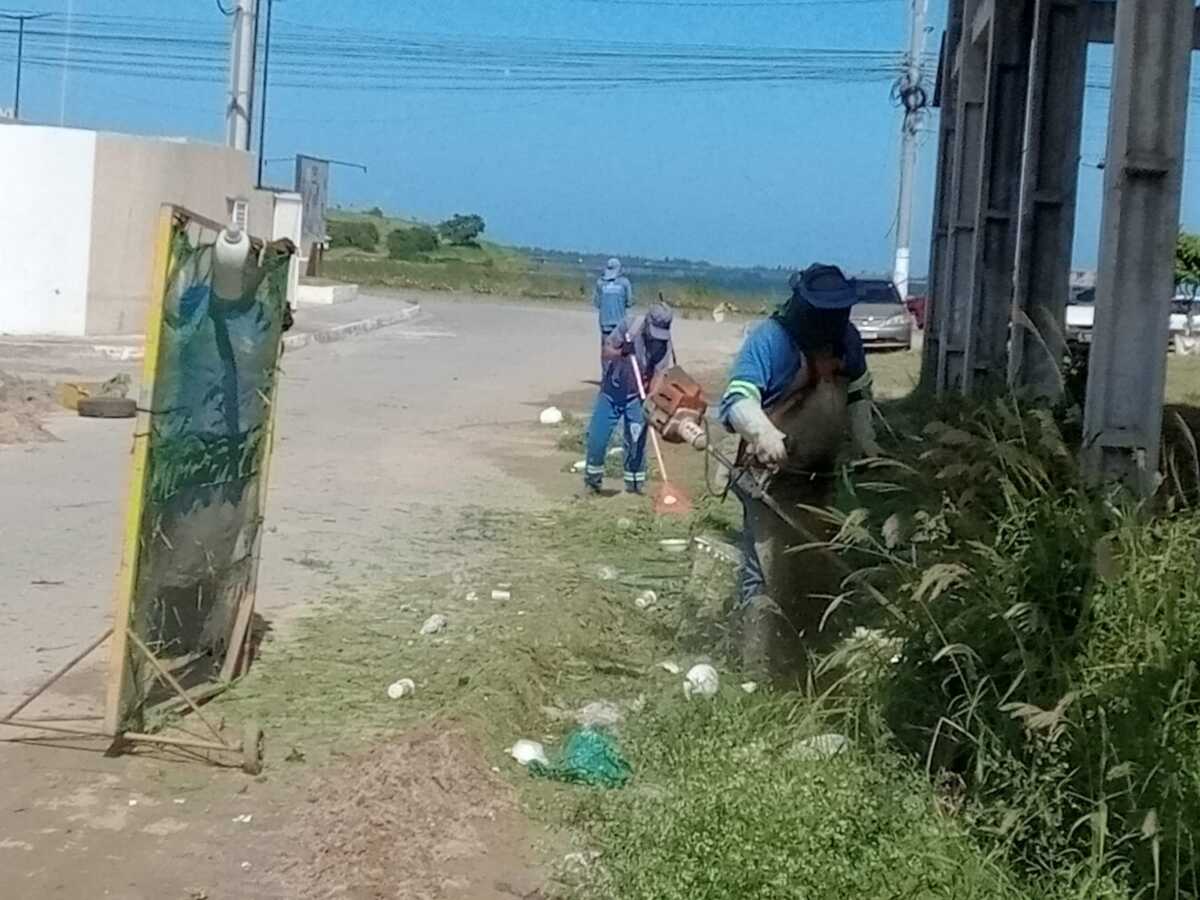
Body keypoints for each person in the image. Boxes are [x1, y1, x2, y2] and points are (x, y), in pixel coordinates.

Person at [718, 263, 879, 676]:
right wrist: (764, 434)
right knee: (765, 568)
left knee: (816, 564)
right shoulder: (771, 341)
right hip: (769, 479)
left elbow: (858, 394)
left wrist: (867, 444)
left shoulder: (847, 341)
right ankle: (755, 664)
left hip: (821, 479)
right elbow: (737, 400)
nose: (832, 319)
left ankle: (807, 652)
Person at [584, 301, 675, 495]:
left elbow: (659, 374)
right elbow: (605, 352)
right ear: (648, 323)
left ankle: (634, 489)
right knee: (597, 438)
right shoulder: (629, 326)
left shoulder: (664, 344)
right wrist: (621, 352)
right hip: (611, 392)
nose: (657, 339)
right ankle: (592, 484)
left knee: (636, 443)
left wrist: (650, 398)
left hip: (637, 397)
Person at [593, 258, 634, 346]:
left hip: (605, 323)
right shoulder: (625, 283)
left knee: (606, 349)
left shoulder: (600, 283)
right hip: (620, 323)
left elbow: (597, 303)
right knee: (620, 350)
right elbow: (630, 302)